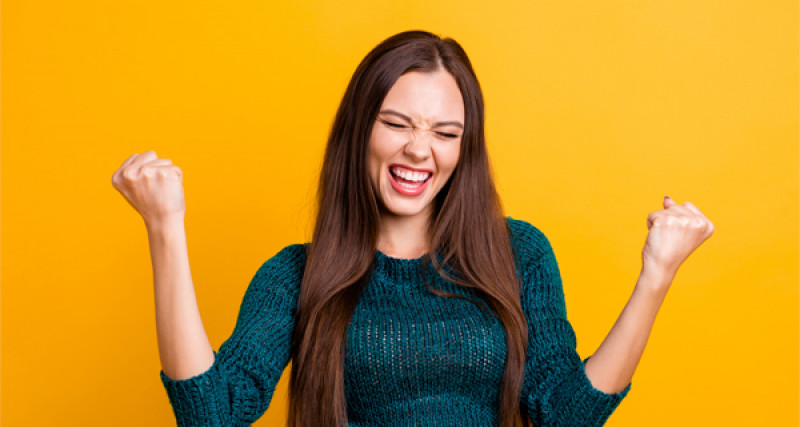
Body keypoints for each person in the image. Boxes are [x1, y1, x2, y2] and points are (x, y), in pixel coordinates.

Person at [111, 30, 714, 427]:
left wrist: (655, 277)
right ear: (360, 130)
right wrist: (166, 229)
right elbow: (211, 414)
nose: (420, 151)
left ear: (464, 149)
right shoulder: (296, 274)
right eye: (398, 123)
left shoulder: (518, 253)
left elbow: (564, 412)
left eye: (445, 134)